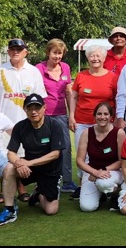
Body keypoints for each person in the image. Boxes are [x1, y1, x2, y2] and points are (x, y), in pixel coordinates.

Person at [0, 94, 66, 226]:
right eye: (30, 108)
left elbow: (55, 154)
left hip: (50, 170)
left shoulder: (55, 125)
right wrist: (18, 163)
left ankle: (38, 194)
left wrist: (28, 163)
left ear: (44, 108)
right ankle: (9, 209)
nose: (33, 112)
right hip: (28, 168)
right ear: (24, 109)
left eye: (37, 108)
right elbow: (11, 153)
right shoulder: (20, 127)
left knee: (51, 210)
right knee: (9, 168)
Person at [0, 38, 47, 202]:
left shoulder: (33, 71)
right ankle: (3, 189)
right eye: (12, 49)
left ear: (25, 52)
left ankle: (21, 188)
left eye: (19, 49)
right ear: (8, 52)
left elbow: (41, 99)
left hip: (26, 123)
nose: (15, 52)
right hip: (4, 124)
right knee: (4, 157)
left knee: (22, 157)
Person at [69, 45, 118, 200]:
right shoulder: (81, 76)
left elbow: (118, 99)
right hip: (83, 122)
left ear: (104, 58)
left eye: (98, 56)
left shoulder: (112, 77)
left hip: (106, 124)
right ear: (88, 58)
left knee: (105, 155)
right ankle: (84, 185)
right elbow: (74, 97)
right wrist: (71, 115)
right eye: (92, 56)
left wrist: (116, 119)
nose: (95, 59)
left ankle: (103, 184)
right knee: (83, 156)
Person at [35, 39, 76, 193]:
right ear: (48, 52)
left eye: (60, 53)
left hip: (61, 115)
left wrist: (71, 115)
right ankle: (42, 182)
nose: (57, 56)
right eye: (55, 53)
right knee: (44, 148)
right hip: (44, 116)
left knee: (65, 147)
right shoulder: (39, 68)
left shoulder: (65, 68)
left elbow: (68, 93)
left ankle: (67, 181)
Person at [75, 102, 126, 212]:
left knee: (104, 183)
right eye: (99, 114)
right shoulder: (86, 133)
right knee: (87, 207)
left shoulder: (119, 133)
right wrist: (94, 172)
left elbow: (122, 161)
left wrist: (101, 171)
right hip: (92, 173)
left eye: (106, 114)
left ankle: (115, 194)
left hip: (113, 171)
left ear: (111, 117)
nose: (102, 117)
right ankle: (102, 193)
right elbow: (79, 161)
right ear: (94, 116)